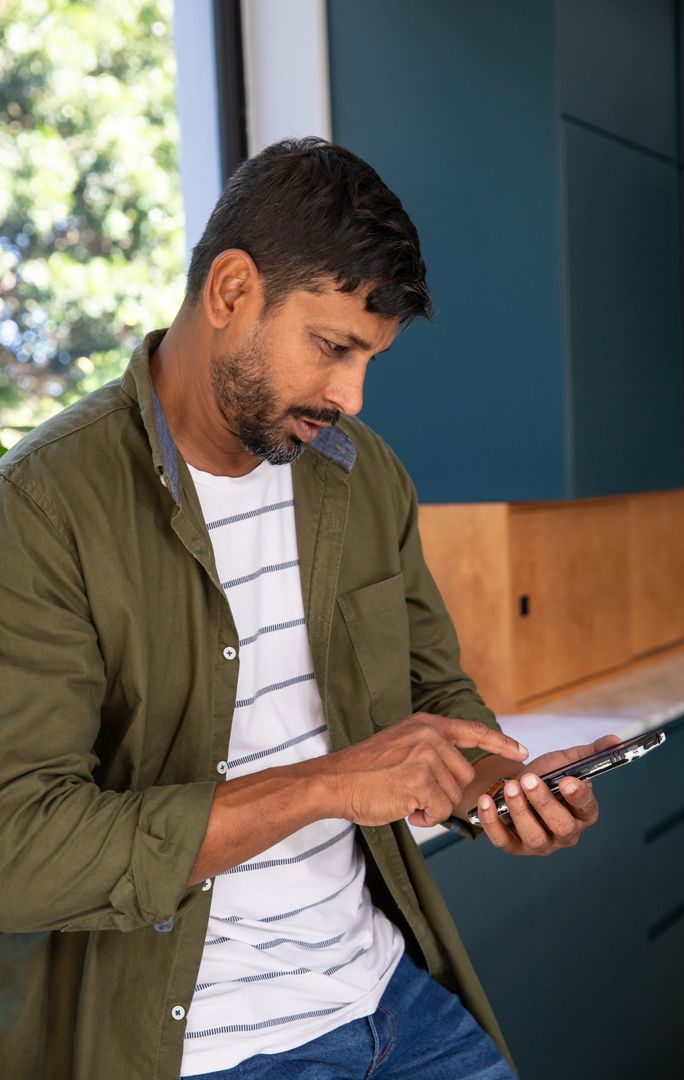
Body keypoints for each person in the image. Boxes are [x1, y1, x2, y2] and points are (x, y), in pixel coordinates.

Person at [0, 138, 616, 1080]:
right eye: (332, 349)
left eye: (369, 359)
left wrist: (499, 789)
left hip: (388, 995)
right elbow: (22, 848)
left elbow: (435, 700)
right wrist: (331, 783)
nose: (352, 395)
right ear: (231, 291)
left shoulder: (363, 480)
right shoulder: (43, 508)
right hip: (198, 1043)